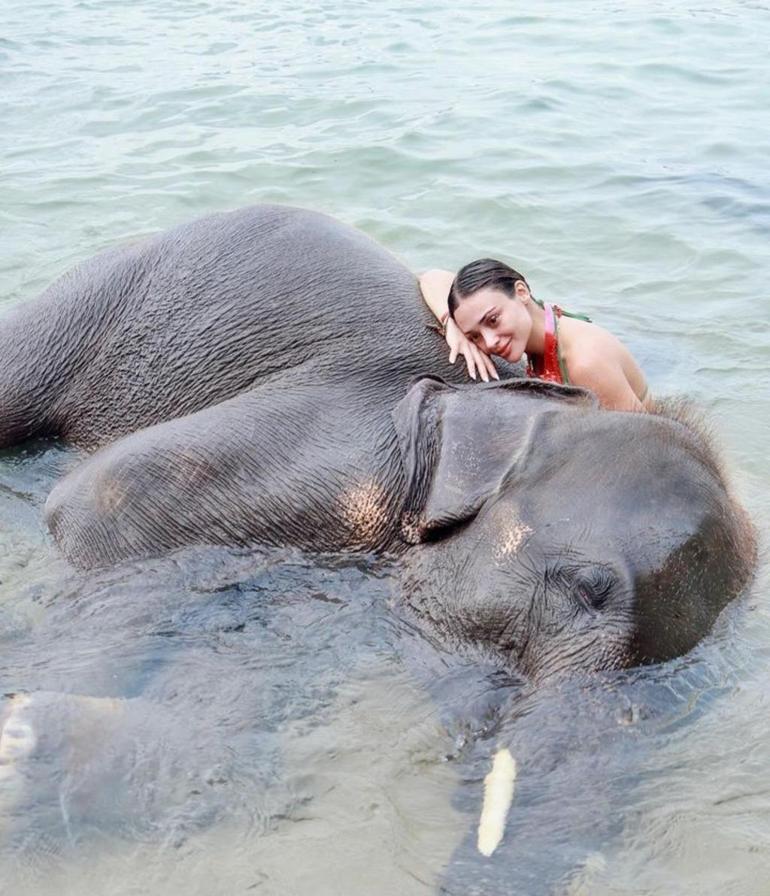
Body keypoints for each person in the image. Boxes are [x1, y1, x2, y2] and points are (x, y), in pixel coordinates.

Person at [419, 259, 652, 412]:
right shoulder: (543, 328)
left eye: (493, 320)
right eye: (475, 337)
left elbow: (642, 447)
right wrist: (451, 326)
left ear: (521, 292)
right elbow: (432, 277)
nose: (489, 342)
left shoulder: (584, 361)